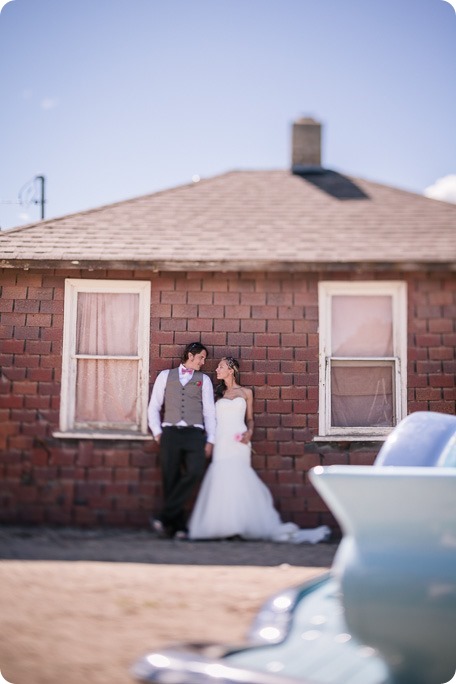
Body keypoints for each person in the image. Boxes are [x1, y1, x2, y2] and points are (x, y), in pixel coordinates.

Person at [188, 356, 331, 544]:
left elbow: (250, 419)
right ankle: (224, 526)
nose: (217, 370)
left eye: (220, 367)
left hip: (239, 440)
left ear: (231, 370)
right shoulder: (218, 394)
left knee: (239, 476)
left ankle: (240, 525)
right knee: (222, 477)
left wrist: (249, 432)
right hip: (222, 440)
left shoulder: (246, 392)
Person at [147, 341, 216, 539]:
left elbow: (210, 412)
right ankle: (177, 527)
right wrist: (157, 432)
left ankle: (163, 517)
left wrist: (211, 439)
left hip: (195, 434)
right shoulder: (164, 376)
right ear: (190, 355)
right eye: (201, 357)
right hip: (170, 433)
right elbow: (154, 407)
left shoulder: (204, 380)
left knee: (194, 472)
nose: (203, 362)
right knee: (170, 479)